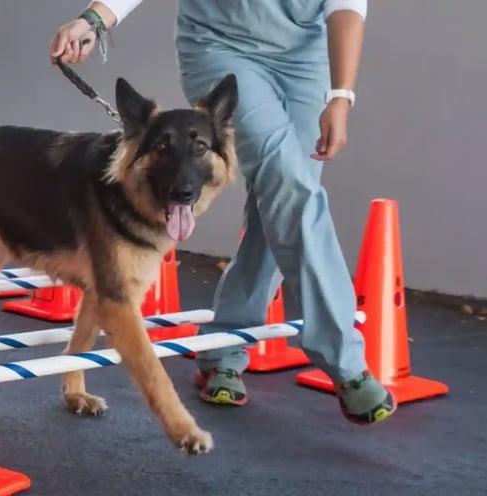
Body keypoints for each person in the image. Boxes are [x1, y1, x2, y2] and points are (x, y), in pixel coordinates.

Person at [49, 0, 397, 426]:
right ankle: (344, 359)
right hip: (220, 46)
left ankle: (224, 347)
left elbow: (346, 5)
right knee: (290, 185)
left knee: (280, 196)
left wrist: (341, 95)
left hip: (304, 56)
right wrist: (95, 20)